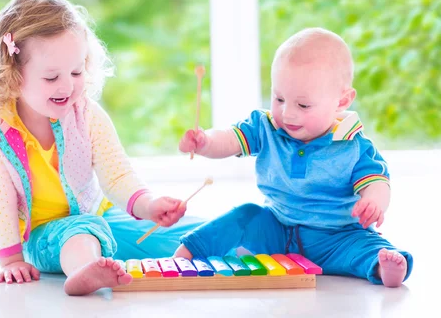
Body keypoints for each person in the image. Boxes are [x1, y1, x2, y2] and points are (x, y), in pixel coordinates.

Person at [0, 0, 203, 295]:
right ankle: (85, 271)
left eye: (77, 72)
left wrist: (149, 206)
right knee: (82, 233)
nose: (67, 87)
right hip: (41, 236)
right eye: (52, 77)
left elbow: (117, 173)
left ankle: (244, 242)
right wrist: (11, 259)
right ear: (12, 75)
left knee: (191, 236)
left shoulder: (87, 114)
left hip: (98, 214)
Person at [175, 27, 413, 287]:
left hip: (337, 237)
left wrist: (374, 202)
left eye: (303, 105)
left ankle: (383, 268)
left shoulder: (354, 146)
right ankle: (186, 254)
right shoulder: (266, 127)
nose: (287, 114)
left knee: (368, 247)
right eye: (278, 98)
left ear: (342, 101)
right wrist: (205, 141)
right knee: (243, 216)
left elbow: (377, 182)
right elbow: (230, 139)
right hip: (278, 228)